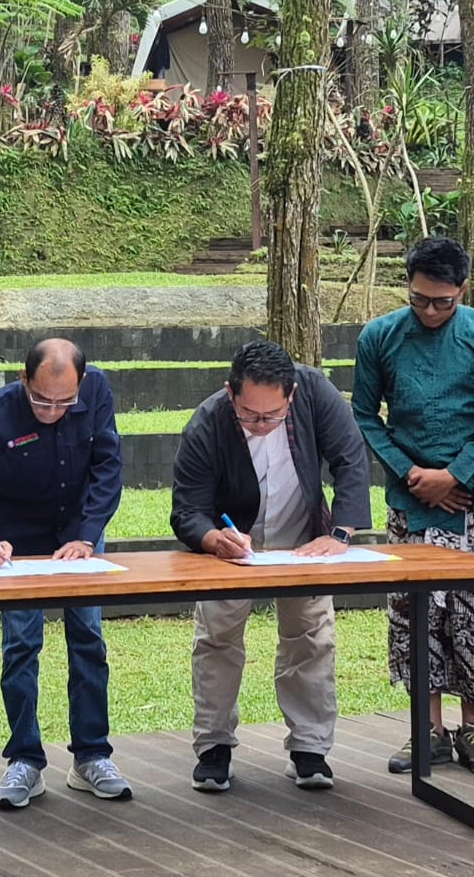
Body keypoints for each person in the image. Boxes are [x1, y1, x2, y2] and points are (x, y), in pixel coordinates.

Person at [171, 340, 371, 793]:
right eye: (249, 415)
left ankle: (310, 748)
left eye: (273, 415)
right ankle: (213, 747)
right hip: (231, 541)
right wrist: (213, 539)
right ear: (230, 394)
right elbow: (187, 509)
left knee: (310, 635)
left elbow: (350, 459)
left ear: (291, 395)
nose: (261, 425)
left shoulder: (316, 393)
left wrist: (339, 535)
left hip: (303, 535)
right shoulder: (207, 421)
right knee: (217, 636)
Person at [351, 236, 474, 778]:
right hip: (410, 498)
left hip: (473, 498)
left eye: (444, 301)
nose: (431, 311)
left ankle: (473, 728)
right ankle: (428, 728)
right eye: (420, 300)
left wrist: (454, 475)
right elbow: (365, 415)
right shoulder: (380, 335)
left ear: (463, 289)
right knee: (414, 615)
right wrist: (412, 475)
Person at [0, 338, 131, 810]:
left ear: (82, 384)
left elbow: (108, 469)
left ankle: (92, 756)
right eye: (41, 400)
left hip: (79, 534)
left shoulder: (96, 392)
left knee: (88, 639)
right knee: (20, 646)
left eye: (65, 402)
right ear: (23, 379)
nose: (53, 411)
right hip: (19, 540)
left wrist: (88, 536)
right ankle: (24, 759)